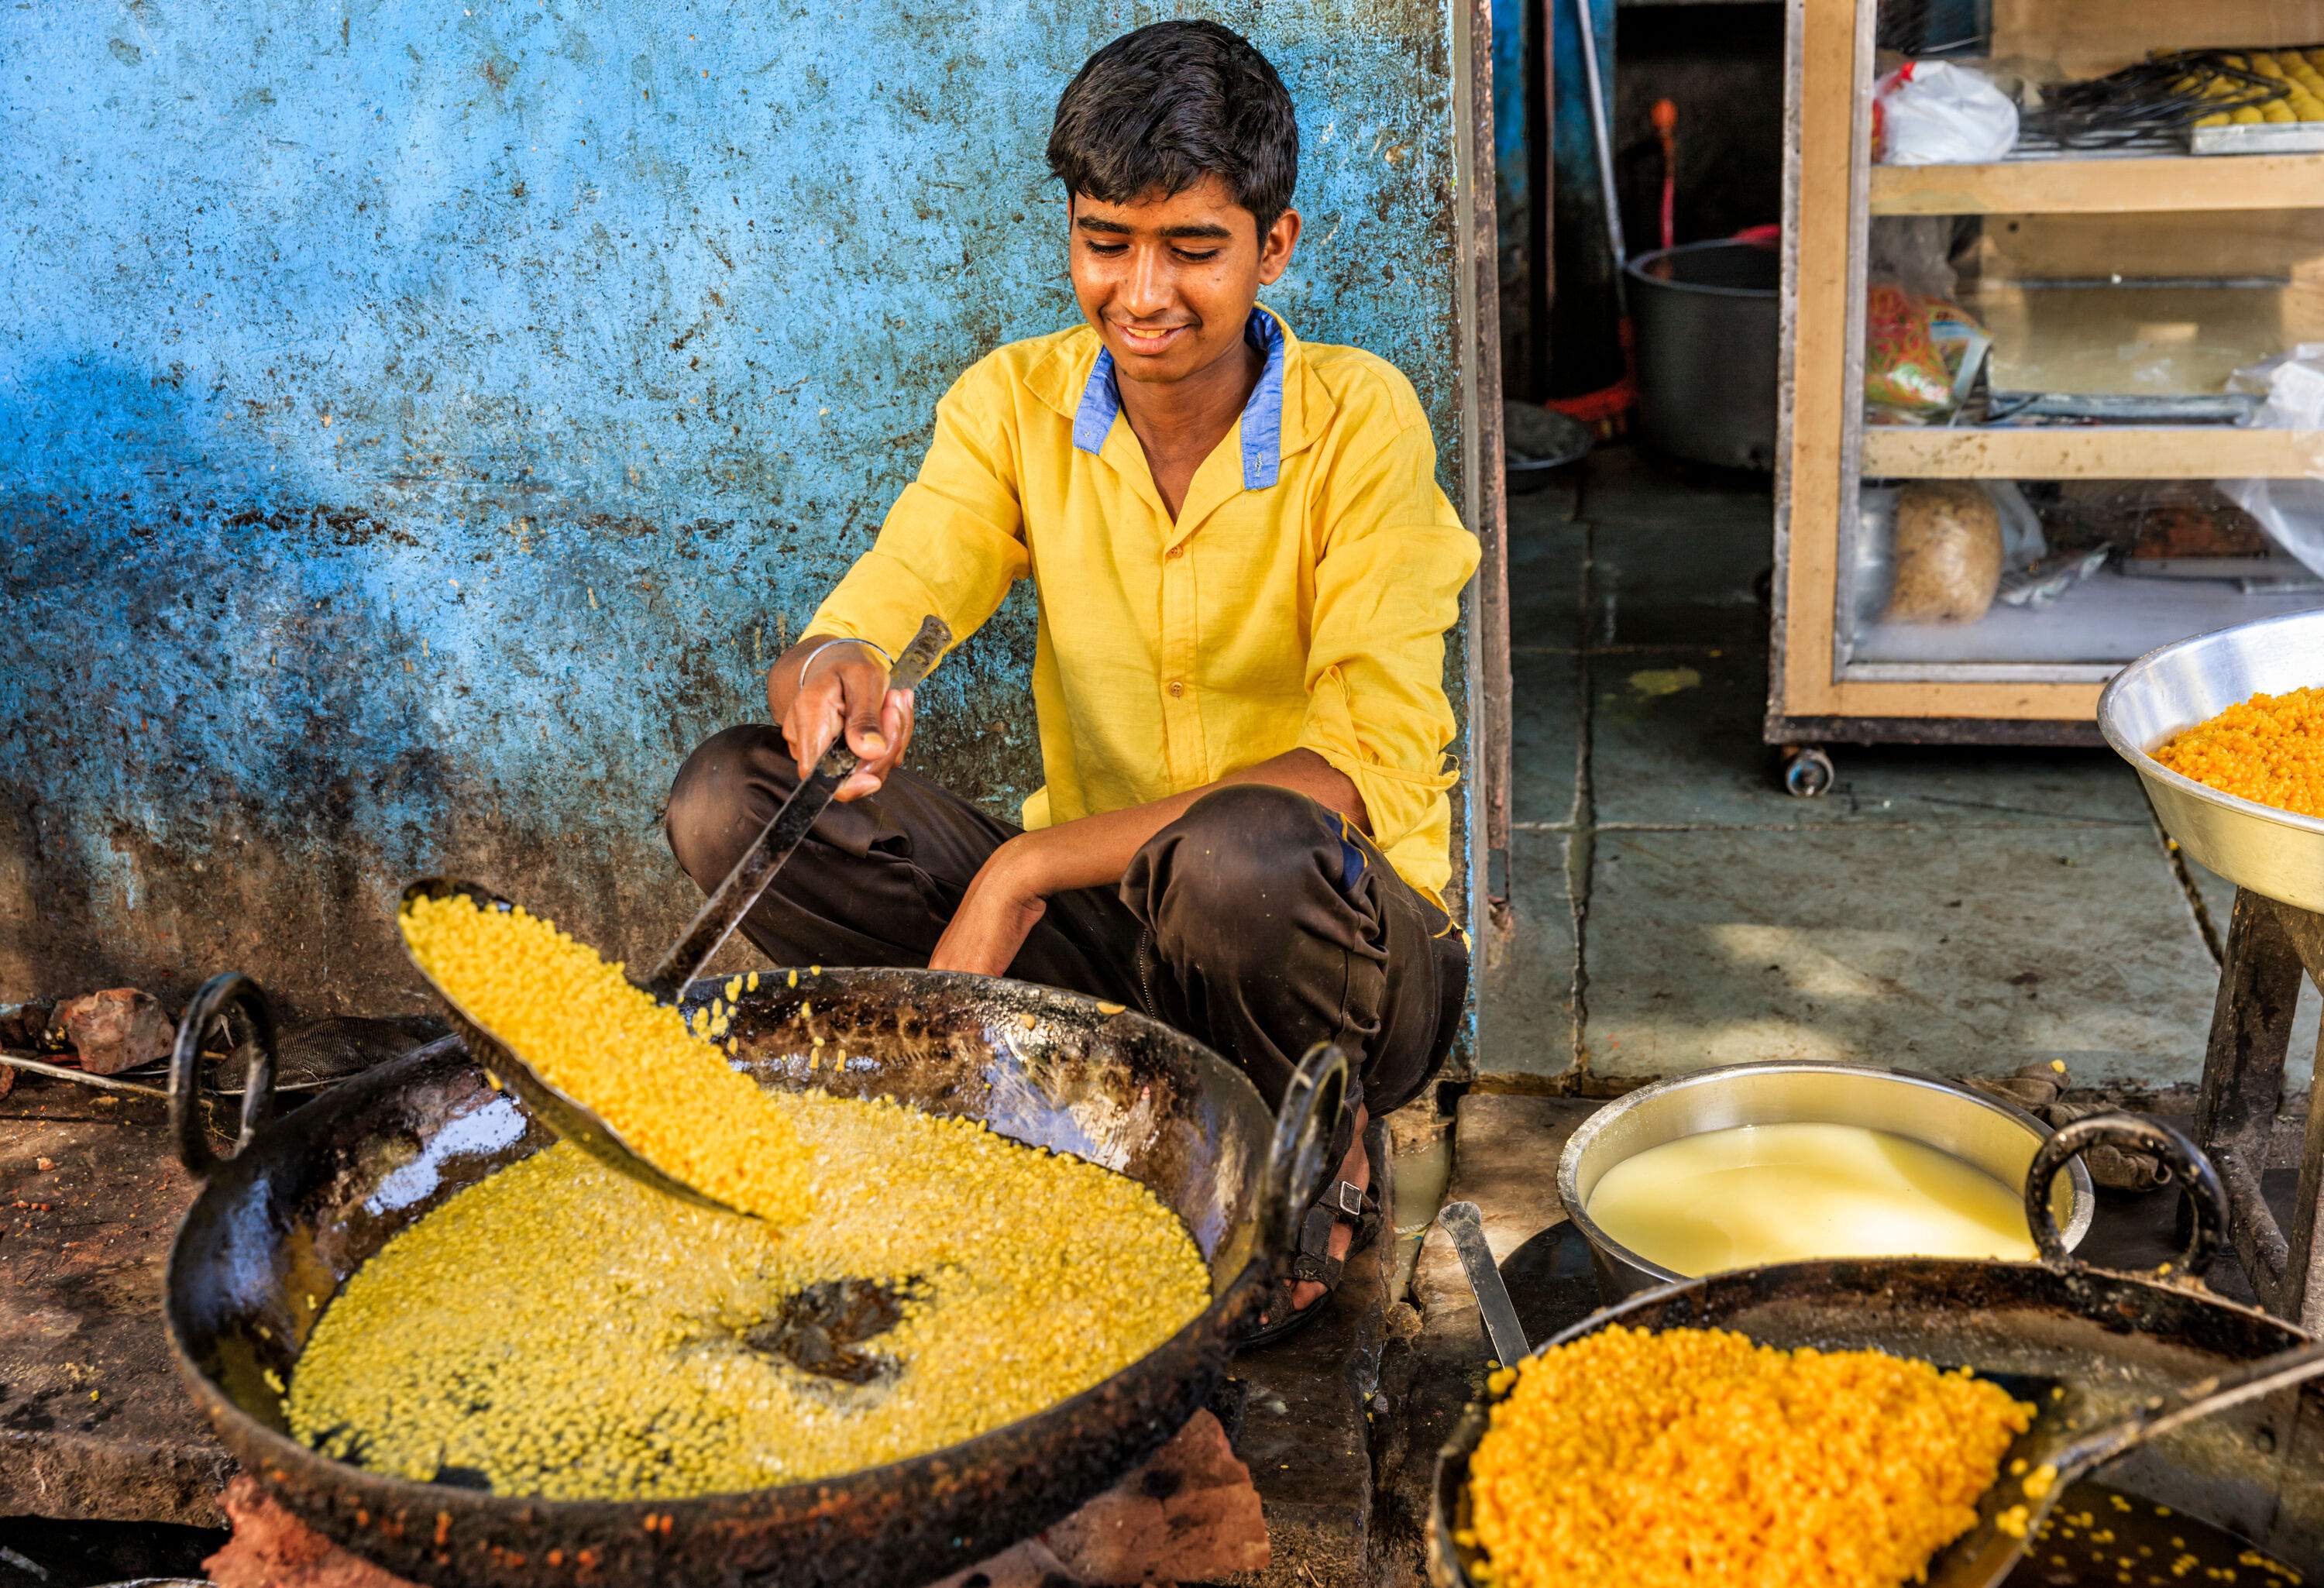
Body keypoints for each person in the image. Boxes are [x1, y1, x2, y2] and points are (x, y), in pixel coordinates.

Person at [665, 19, 1477, 1342]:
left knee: (1242, 857)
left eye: (1193, 249)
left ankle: (1310, 1143)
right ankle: (1063, 1093)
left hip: (1336, 947)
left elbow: (1358, 769)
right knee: (731, 797)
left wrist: (1019, 871)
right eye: (1107, 241)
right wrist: (834, 672)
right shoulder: (1012, 405)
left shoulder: (1361, 421)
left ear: (1274, 248)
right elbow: (886, 594)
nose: (1142, 291)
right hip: (1119, 938)